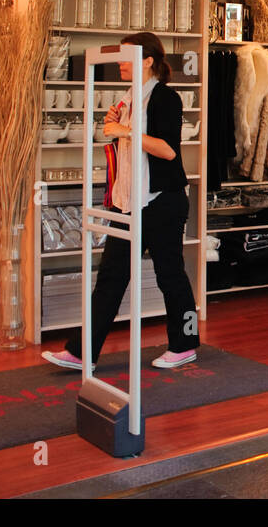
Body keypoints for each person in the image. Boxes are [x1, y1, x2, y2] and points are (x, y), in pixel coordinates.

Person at [42, 32, 199, 371]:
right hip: (128, 202)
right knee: (111, 277)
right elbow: (123, 148)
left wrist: (124, 132)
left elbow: (168, 151)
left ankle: (185, 343)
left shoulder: (164, 98)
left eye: (126, 57)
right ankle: (81, 351)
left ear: (147, 61)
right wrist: (116, 128)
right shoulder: (130, 98)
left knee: (170, 274)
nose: (120, 64)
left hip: (162, 202)